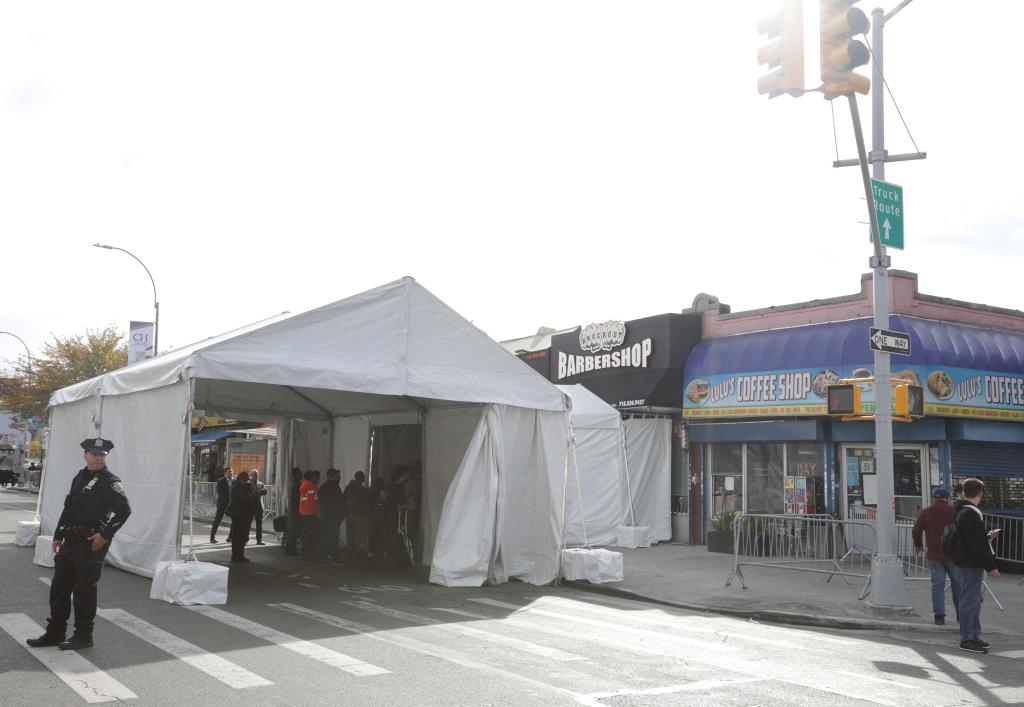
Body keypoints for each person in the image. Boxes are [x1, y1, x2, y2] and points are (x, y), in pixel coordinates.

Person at [27, 438, 131, 651]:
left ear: (106, 457)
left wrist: (104, 535)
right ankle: (55, 632)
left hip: (90, 543)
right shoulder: (80, 476)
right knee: (59, 588)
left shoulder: (109, 481)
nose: (97, 458)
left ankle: (84, 636)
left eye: (102, 455)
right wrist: (57, 534)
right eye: (94, 454)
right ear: (85, 455)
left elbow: (124, 511)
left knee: (84, 591)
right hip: (70, 541)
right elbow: (68, 508)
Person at [952, 478, 1000, 654]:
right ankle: (967, 639)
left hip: (967, 561)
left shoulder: (962, 510)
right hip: (970, 563)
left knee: (973, 600)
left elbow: (972, 539)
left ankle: (973, 636)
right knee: (970, 601)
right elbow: (975, 544)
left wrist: (987, 537)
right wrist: (991, 566)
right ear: (980, 494)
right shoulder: (971, 513)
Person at [912, 488, 962, 625]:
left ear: (934, 498)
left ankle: (939, 616)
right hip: (953, 555)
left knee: (937, 585)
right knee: (957, 584)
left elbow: (916, 530)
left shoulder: (926, 511)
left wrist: (918, 545)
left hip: (934, 554)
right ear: (947, 498)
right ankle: (961, 614)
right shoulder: (954, 511)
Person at [314, 468, 347, 565]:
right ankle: (319, 558)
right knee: (328, 537)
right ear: (333, 476)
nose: (340, 477)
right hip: (332, 517)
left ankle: (335, 557)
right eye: (338, 476)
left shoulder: (325, 487)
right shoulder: (333, 488)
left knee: (332, 536)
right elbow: (336, 503)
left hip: (327, 516)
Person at [228, 471, 256, 563]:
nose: (246, 482)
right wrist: (249, 496)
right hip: (237, 515)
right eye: (245, 480)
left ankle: (241, 555)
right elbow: (238, 500)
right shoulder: (235, 487)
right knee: (237, 537)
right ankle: (235, 556)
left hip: (245, 515)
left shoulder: (246, 486)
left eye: (247, 480)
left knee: (243, 537)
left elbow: (251, 494)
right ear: (241, 479)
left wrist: (254, 492)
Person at [344, 471, 371, 562]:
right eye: (363, 476)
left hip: (349, 515)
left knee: (350, 534)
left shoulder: (348, 487)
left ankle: (350, 552)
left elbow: (345, 499)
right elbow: (365, 503)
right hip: (359, 515)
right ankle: (357, 553)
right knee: (359, 535)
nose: (365, 478)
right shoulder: (362, 490)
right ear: (360, 478)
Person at [299, 470, 321, 561]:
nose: (317, 479)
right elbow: (313, 501)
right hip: (311, 513)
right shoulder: (310, 486)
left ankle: (305, 553)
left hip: (305, 512)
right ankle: (308, 553)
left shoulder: (304, 484)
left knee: (306, 534)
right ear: (311, 477)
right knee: (311, 534)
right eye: (315, 477)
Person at [210, 467, 231, 543]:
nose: (230, 473)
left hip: (231, 505)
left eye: (231, 472)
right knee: (217, 520)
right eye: (229, 472)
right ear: (225, 472)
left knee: (234, 520)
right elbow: (220, 493)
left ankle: (230, 537)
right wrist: (227, 502)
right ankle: (212, 538)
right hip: (222, 504)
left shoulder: (233, 481)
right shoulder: (220, 481)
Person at [249, 469, 267, 545]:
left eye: (257, 474)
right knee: (248, 524)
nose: (256, 476)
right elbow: (249, 494)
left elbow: (264, 491)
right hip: (250, 506)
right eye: (254, 475)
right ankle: (245, 539)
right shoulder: (248, 484)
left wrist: (256, 492)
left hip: (259, 506)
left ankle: (259, 540)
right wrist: (258, 492)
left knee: (259, 525)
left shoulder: (261, 483)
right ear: (251, 475)